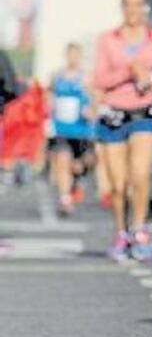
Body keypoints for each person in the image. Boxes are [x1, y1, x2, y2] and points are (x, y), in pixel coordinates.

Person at [93, 0, 152, 261]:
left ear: (145, 7)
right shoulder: (107, 40)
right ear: (122, 7)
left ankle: (139, 229)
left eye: (138, 4)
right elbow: (100, 79)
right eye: (128, 4)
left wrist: (149, 75)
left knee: (140, 175)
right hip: (114, 113)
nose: (133, 10)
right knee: (118, 184)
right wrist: (128, 70)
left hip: (143, 113)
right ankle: (120, 231)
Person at [47, 43, 96, 216]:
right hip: (61, 130)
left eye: (76, 55)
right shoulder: (57, 76)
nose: (73, 59)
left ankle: (75, 184)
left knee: (78, 167)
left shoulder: (86, 78)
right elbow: (50, 97)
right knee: (62, 162)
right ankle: (64, 200)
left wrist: (90, 111)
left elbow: (94, 101)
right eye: (70, 55)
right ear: (66, 56)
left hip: (81, 131)